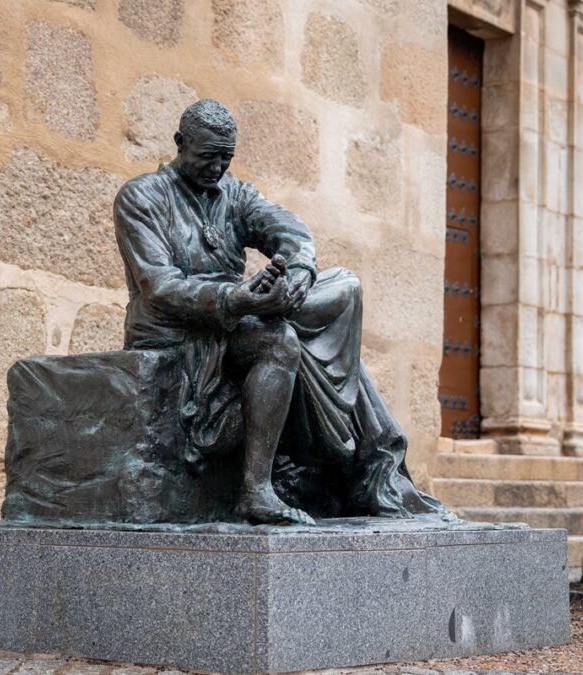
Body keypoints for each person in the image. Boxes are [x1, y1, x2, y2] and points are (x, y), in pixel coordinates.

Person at [113, 99, 445, 526]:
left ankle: (355, 458)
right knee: (281, 339)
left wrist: (297, 275)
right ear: (180, 143)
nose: (218, 167)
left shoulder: (235, 193)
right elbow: (158, 287)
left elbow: (288, 229)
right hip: (180, 328)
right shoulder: (141, 197)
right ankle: (257, 491)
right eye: (208, 156)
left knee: (344, 283)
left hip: (243, 314)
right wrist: (239, 300)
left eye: (226, 157)